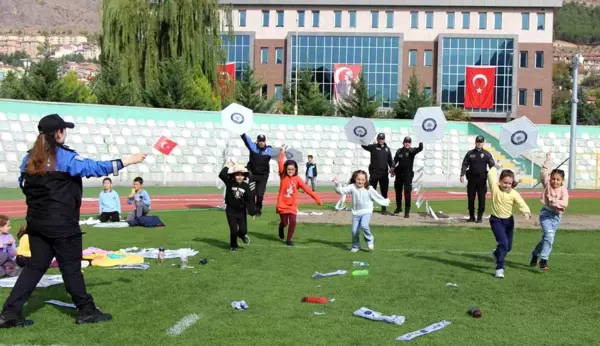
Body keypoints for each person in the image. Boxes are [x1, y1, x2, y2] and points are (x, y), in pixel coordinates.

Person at [0, 113, 146, 328]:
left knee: (35, 268)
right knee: (71, 268)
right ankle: (86, 310)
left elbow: (24, 185)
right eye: (64, 130)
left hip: (36, 222)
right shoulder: (65, 157)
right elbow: (94, 168)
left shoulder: (28, 159)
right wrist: (129, 160)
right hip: (61, 223)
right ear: (58, 133)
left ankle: (9, 313)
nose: (65, 133)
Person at [487, 166, 531, 279]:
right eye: (504, 182)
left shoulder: (514, 194)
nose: (507, 185)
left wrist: (526, 211)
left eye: (509, 183)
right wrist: (493, 167)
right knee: (503, 244)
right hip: (496, 221)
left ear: (512, 183)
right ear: (500, 181)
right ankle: (499, 268)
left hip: (509, 222)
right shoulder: (495, 188)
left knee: (508, 247)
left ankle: (497, 253)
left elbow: (521, 203)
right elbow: (490, 175)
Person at [332, 171, 390, 252]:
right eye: (358, 179)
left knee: (364, 225)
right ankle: (355, 246)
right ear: (355, 179)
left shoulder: (369, 189)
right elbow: (341, 191)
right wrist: (337, 184)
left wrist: (385, 201)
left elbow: (377, 196)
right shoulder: (352, 187)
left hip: (367, 211)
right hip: (356, 212)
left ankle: (370, 240)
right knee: (354, 231)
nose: (360, 181)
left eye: (363, 180)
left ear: (366, 180)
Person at [276, 145, 322, 246]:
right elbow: (280, 162)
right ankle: (281, 227)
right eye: (288, 169)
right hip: (282, 205)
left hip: (292, 206)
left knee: (293, 222)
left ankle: (289, 239)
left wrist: (316, 198)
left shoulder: (297, 179)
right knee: (284, 223)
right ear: (285, 169)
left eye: (292, 169)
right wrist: (282, 152)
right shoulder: (283, 176)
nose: (290, 171)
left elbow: (307, 189)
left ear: (295, 169)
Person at [530, 153, 569, 270]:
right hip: (546, 214)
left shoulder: (563, 190)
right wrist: (547, 160)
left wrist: (555, 201)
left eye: (558, 179)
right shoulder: (547, 184)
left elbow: (565, 203)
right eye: (553, 179)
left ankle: (535, 253)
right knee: (550, 235)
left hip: (556, 217)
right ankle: (544, 260)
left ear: (562, 181)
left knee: (546, 238)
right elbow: (543, 174)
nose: (555, 181)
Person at [218, 161, 256, 252]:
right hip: (230, 211)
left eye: (242, 175)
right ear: (233, 175)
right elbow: (222, 174)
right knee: (233, 230)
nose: (239, 177)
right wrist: (228, 165)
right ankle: (233, 245)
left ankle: (242, 235)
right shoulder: (229, 182)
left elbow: (249, 200)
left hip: (241, 212)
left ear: (244, 176)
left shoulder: (246, 186)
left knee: (243, 230)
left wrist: (252, 212)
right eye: (237, 175)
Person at [460, 135, 495, 223]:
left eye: (481, 142)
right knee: (471, 199)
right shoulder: (470, 153)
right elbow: (465, 164)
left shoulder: (487, 154)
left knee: (481, 199)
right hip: (471, 179)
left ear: (483, 143)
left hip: (482, 180)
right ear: (475, 142)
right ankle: (471, 217)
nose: (479, 143)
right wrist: (462, 175)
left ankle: (479, 217)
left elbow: (492, 166)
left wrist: (495, 173)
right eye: (478, 142)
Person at [241, 133, 272, 217]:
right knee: (251, 194)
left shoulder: (269, 149)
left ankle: (258, 210)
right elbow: (246, 140)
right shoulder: (253, 147)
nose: (261, 142)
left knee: (260, 195)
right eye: (260, 141)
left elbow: (279, 154)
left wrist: (283, 150)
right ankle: (251, 210)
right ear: (257, 141)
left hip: (263, 176)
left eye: (263, 141)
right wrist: (242, 133)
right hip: (252, 175)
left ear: (265, 141)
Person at [361, 133, 393, 215]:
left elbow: (390, 161)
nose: (381, 140)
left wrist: (392, 168)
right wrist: (362, 137)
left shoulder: (387, 149)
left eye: (382, 138)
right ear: (377, 139)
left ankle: (384, 209)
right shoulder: (373, 147)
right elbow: (363, 146)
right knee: (371, 191)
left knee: (384, 192)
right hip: (374, 173)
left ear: (384, 139)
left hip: (384, 174)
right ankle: (368, 208)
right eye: (379, 138)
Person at [391, 137, 423, 218]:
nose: (407, 143)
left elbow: (420, 148)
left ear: (411, 143)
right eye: (406, 142)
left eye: (409, 142)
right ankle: (398, 208)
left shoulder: (412, 150)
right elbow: (395, 161)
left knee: (407, 192)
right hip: (398, 174)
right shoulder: (399, 151)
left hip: (408, 175)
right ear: (403, 142)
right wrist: (393, 169)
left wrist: (421, 139)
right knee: (398, 192)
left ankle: (407, 211)